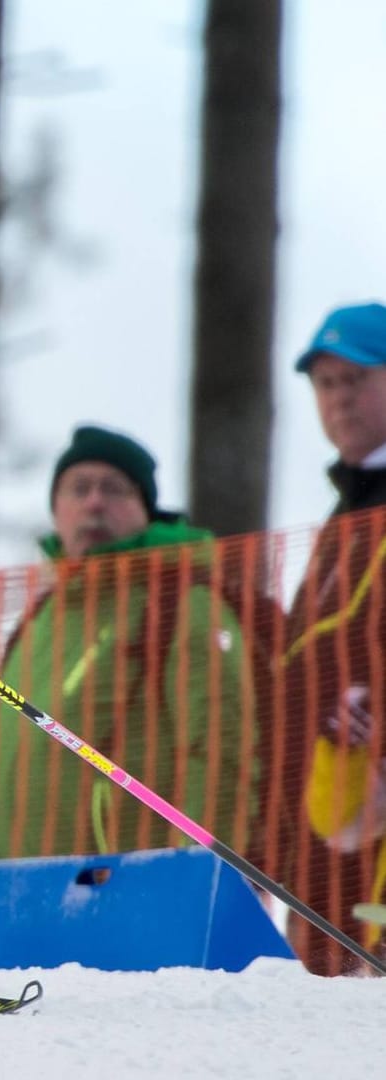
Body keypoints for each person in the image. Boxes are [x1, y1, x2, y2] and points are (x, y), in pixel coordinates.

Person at [0, 425, 259, 906]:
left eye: (114, 489)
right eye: (78, 488)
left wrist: (195, 887)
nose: (93, 503)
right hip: (8, 905)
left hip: (126, 904)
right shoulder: (36, 619)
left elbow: (218, 753)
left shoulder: (182, 604)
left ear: (145, 508)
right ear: (56, 510)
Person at [291, 302, 386, 970]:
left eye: (356, 377)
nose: (339, 398)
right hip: (333, 813)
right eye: (325, 384)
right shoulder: (340, 514)